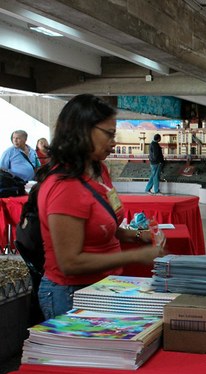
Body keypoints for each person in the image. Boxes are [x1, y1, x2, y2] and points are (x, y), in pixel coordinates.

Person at [37, 94, 165, 319]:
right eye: (109, 134)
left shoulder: (99, 170)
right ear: (82, 130)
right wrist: (135, 257)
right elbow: (70, 262)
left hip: (101, 287)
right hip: (71, 294)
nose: (113, 142)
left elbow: (101, 226)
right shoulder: (65, 187)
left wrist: (136, 236)